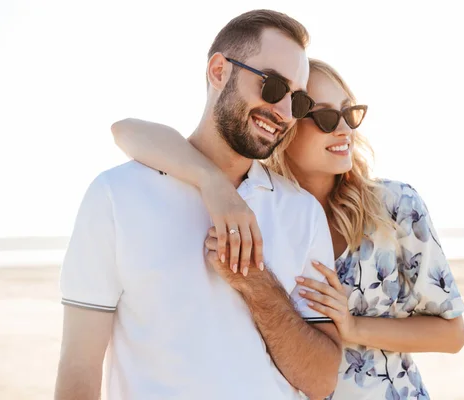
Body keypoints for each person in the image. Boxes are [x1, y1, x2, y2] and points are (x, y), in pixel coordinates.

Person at [111, 58, 464, 398]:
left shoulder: (395, 205)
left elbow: (452, 334)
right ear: (287, 125)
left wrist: (354, 327)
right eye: (326, 117)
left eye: (349, 113)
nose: (343, 129)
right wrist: (212, 182)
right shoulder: (259, 207)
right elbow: (126, 130)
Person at [55, 10, 343, 400]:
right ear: (219, 71)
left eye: (298, 99)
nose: (284, 112)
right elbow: (79, 369)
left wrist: (257, 284)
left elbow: (322, 380)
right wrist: (212, 183)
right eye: (273, 86)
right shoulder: (116, 196)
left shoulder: (303, 214)